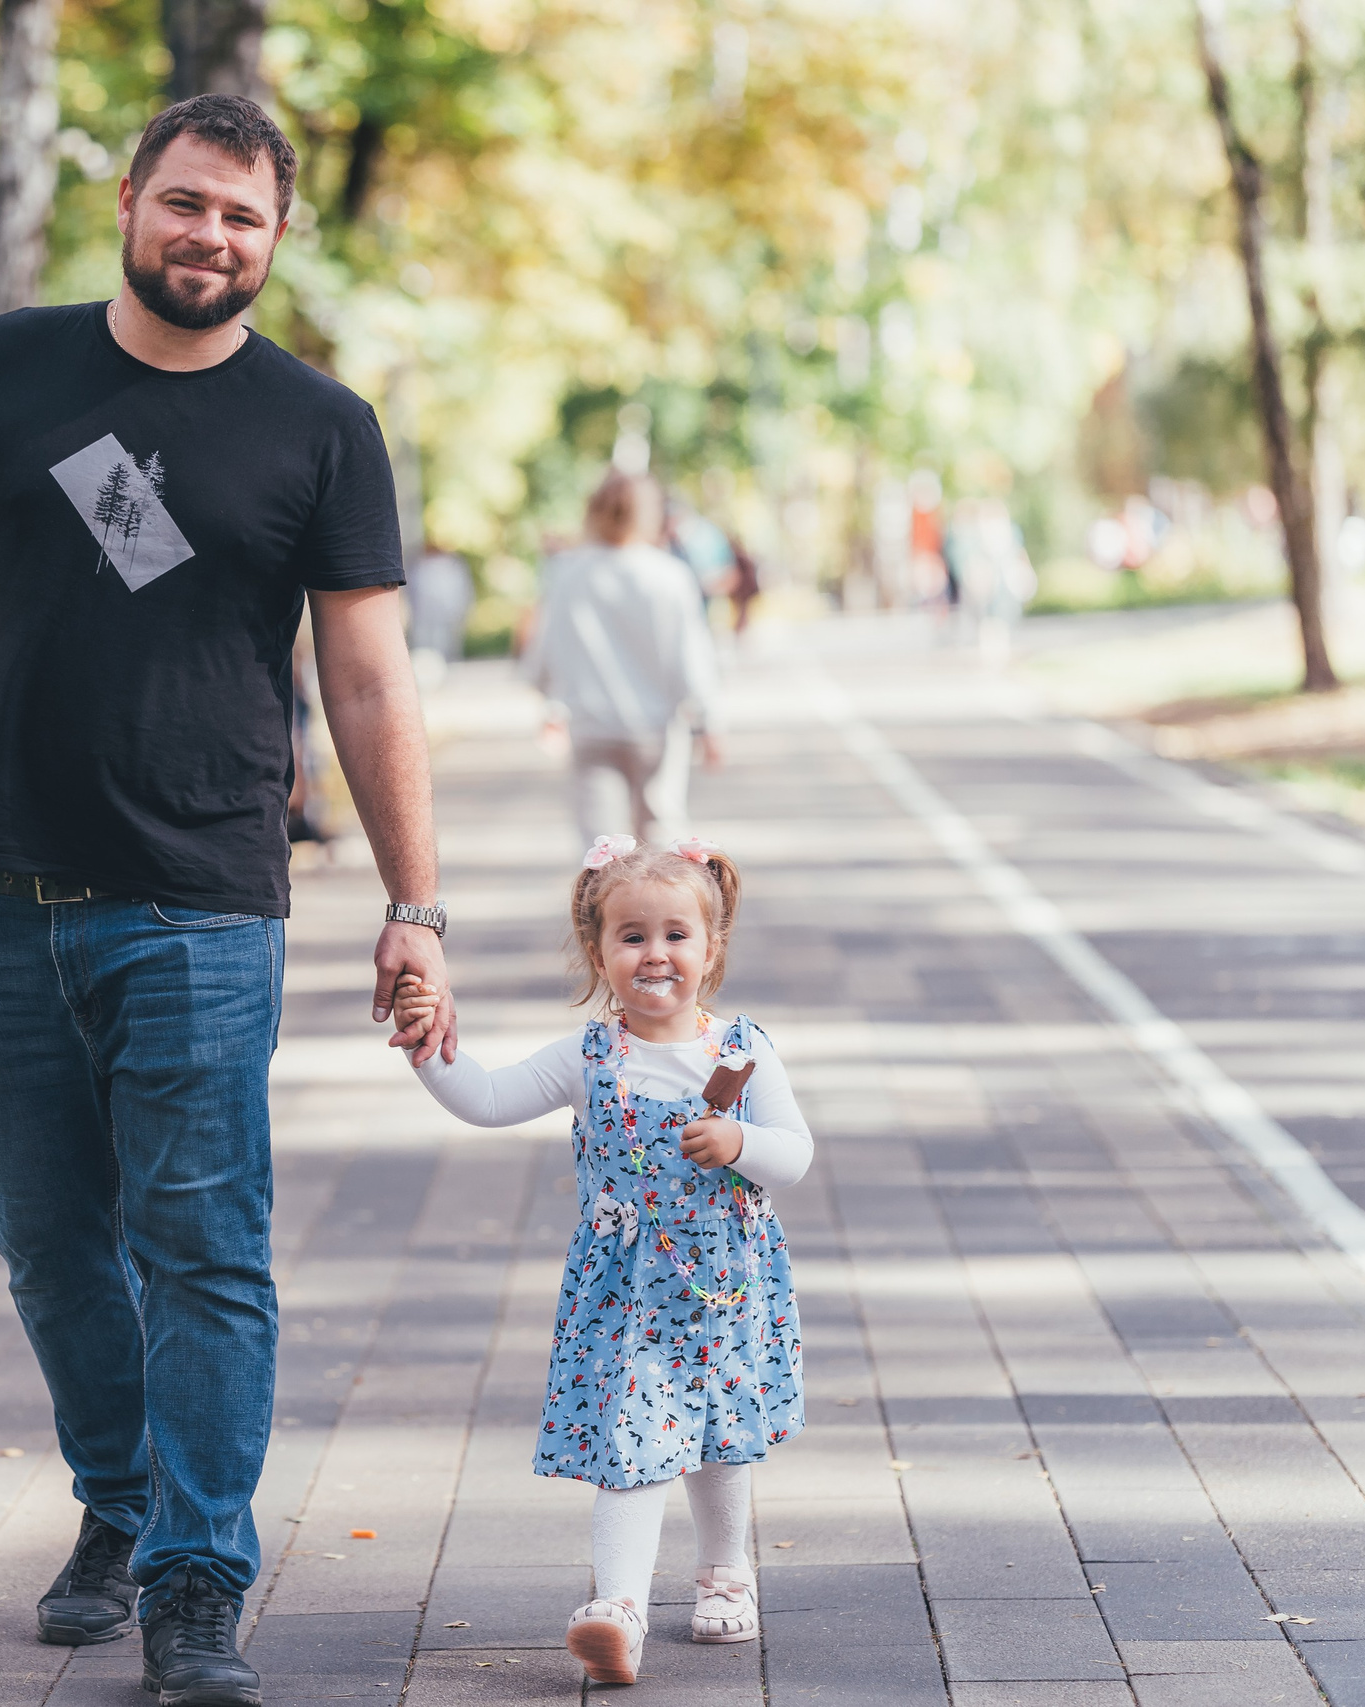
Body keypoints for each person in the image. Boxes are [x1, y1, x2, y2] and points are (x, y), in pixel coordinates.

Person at [0, 93, 458, 1707]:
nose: (211, 236)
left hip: (202, 904)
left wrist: (418, 902)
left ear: (278, 237)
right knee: (51, 1244)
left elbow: (370, 679)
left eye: (244, 216)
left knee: (201, 1247)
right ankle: (119, 1500)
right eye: (187, 202)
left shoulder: (321, 425)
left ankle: (196, 1575)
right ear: (127, 201)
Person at [392, 837, 807, 1686]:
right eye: (632, 936)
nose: (655, 953)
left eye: (676, 935)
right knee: (634, 1432)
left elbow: (794, 1153)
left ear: (711, 947)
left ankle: (725, 1571)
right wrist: (428, 1046)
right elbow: (489, 1098)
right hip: (629, 1295)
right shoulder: (587, 1057)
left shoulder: (741, 1051)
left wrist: (740, 1142)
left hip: (725, 1288)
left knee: (722, 1432)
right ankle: (618, 1607)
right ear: (598, 950)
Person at [522, 471, 723, 847]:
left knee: (601, 848)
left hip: (592, 727)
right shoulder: (669, 575)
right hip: (656, 728)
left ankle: (602, 890)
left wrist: (551, 705)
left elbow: (547, 649)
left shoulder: (568, 574)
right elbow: (690, 658)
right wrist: (707, 723)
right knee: (661, 836)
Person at [404, 543, 474, 686]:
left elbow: (460, 591)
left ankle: (445, 676)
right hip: (423, 616)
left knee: (445, 646)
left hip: (444, 615)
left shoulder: (451, 566)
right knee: (423, 646)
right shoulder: (420, 566)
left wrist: (459, 611)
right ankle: (425, 677)